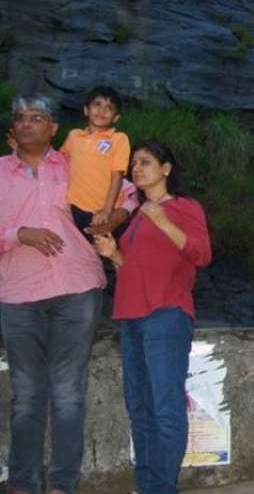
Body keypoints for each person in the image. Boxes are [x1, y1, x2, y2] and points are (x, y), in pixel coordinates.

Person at [0, 95, 108, 494]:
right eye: (20, 118)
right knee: (26, 393)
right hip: (19, 291)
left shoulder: (75, 164)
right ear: (13, 128)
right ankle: (23, 484)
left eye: (37, 117)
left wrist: (111, 219)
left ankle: (62, 484)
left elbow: (127, 193)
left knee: (68, 392)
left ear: (54, 128)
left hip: (76, 288)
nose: (27, 124)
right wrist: (19, 235)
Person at [94, 141, 212, 494]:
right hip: (131, 316)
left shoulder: (184, 206)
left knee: (165, 406)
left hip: (166, 315)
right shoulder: (135, 217)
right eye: (134, 163)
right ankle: (146, 485)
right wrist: (114, 255)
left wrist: (163, 221)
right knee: (139, 407)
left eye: (145, 162)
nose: (136, 168)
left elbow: (202, 254)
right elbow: (136, 271)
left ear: (166, 169)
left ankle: (162, 487)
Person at [60, 85, 130, 233]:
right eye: (97, 104)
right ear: (86, 110)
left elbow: (117, 177)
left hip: (102, 212)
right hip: (74, 207)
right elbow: (58, 160)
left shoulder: (118, 139)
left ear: (116, 117)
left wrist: (107, 210)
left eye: (109, 108)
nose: (102, 110)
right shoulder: (74, 136)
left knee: (104, 246)